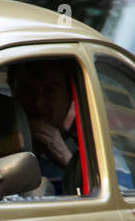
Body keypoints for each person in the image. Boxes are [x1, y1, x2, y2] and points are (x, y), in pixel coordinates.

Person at [7, 59, 82, 195]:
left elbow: (113, 209)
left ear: (70, 97)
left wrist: (67, 160)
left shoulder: (97, 157)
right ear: (12, 90)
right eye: (27, 90)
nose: (37, 103)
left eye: (50, 91)